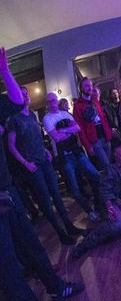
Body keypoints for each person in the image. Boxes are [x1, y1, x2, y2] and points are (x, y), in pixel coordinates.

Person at [0, 47, 85, 300]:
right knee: (7, 263)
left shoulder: (18, 111)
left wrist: (4, 71)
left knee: (31, 243)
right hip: (13, 182)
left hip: (7, 188)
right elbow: (13, 145)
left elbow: (16, 101)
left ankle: (56, 287)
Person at [7, 87, 84, 245]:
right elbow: (11, 146)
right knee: (45, 201)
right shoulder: (14, 119)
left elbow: (37, 137)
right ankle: (61, 233)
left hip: (44, 160)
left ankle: (69, 226)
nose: (26, 96)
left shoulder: (32, 115)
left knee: (57, 195)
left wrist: (45, 150)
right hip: (33, 165)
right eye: (22, 94)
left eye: (26, 93)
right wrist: (25, 163)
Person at [73, 146, 121, 259]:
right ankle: (85, 244)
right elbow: (104, 190)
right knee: (116, 225)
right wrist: (110, 207)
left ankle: (97, 232)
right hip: (113, 203)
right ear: (116, 158)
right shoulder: (110, 170)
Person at [43, 92, 101, 222]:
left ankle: (98, 205)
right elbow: (57, 138)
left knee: (95, 176)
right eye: (50, 101)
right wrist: (69, 131)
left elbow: (77, 127)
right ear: (47, 104)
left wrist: (63, 130)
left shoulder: (65, 114)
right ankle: (89, 211)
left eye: (54, 100)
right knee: (74, 188)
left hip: (77, 152)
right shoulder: (47, 118)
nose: (53, 103)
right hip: (64, 156)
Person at [73, 77, 112, 169]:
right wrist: (87, 146)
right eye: (86, 86)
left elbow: (103, 118)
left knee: (109, 163)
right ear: (81, 88)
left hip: (105, 137)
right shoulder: (77, 106)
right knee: (107, 165)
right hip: (94, 141)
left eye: (90, 85)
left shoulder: (95, 101)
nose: (90, 88)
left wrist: (109, 133)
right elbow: (80, 129)